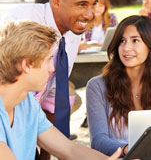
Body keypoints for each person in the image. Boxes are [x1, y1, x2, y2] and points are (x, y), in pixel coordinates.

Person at [1, 0, 98, 159]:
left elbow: (54, 93)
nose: (89, 14)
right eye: (81, 5)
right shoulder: (21, 21)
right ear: (56, 1)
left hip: (29, 116)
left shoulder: (72, 33)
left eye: (93, 4)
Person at [0, 21, 121, 160]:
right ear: (27, 65)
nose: (52, 68)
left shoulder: (27, 103)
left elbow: (69, 150)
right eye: (48, 60)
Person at [86, 15, 151, 156]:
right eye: (122, 41)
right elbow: (98, 141)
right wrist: (127, 150)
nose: (126, 48)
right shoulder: (97, 86)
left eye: (135, 40)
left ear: (150, 45)